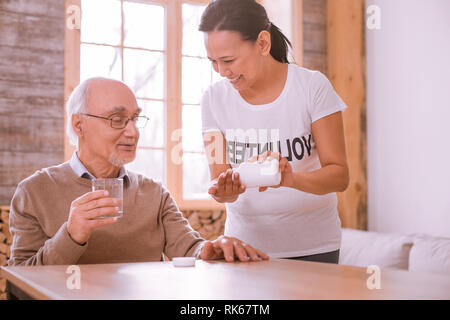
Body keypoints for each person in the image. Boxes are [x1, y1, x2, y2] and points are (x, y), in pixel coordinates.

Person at [8, 77, 269, 266]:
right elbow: (20, 279)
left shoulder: (154, 193)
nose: (132, 131)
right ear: (79, 124)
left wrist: (212, 249)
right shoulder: (34, 191)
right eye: (118, 120)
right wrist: (71, 235)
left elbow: (190, 247)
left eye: (134, 119)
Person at [199, 0, 349, 264]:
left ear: (263, 43)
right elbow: (220, 186)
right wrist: (225, 189)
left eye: (229, 60)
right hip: (244, 248)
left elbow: (339, 176)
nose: (222, 72)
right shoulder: (212, 99)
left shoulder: (312, 87)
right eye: (213, 62)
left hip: (315, 247)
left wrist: (289, 179)